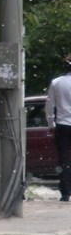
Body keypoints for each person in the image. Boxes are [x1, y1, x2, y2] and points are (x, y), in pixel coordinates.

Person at [45, 55, 71, 202]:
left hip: (63, 125)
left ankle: (66, 192)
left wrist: (51, 125)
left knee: (64, 159)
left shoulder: (56, 83)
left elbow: (50, 106)